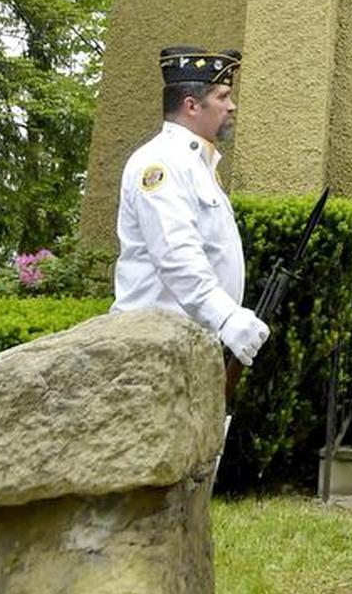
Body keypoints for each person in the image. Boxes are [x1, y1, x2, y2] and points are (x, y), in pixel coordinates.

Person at [112, 46, 269, 367]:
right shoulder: (162, 162)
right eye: (222, 97)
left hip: (186, 343)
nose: (232, 106)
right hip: (153, 349)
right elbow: (175, 254)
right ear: (192, 105)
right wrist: (225, 317)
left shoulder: (196, 164)